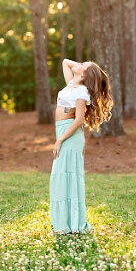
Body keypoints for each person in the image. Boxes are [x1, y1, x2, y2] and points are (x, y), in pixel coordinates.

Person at [51, 59, 114, 234]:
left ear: (85, 74)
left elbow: (79, 119)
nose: (79, 64)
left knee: (67, 178)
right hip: (63, 132)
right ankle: (62, 222)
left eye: (84, 65)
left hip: (69, 136)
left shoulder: (81, 92)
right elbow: (64, 62)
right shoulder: (72, 84)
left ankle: (70, 224)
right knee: (60, 178)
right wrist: (81, 67)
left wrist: (60, 140)